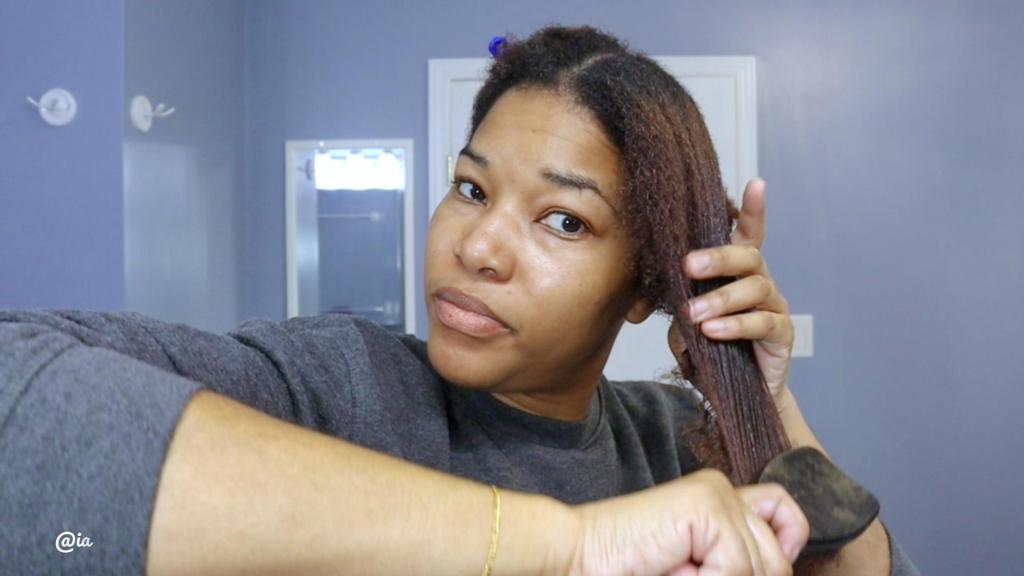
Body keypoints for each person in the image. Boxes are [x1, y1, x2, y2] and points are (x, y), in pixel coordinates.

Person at [0, 25, 918, 575]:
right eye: (471, 189)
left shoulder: (673, 444)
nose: (475, 247)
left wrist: (762, 396)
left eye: (563, 220)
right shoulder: (340, 389)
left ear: (646, 287)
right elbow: (45, 490)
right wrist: (567, 548)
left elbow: (870, 569)